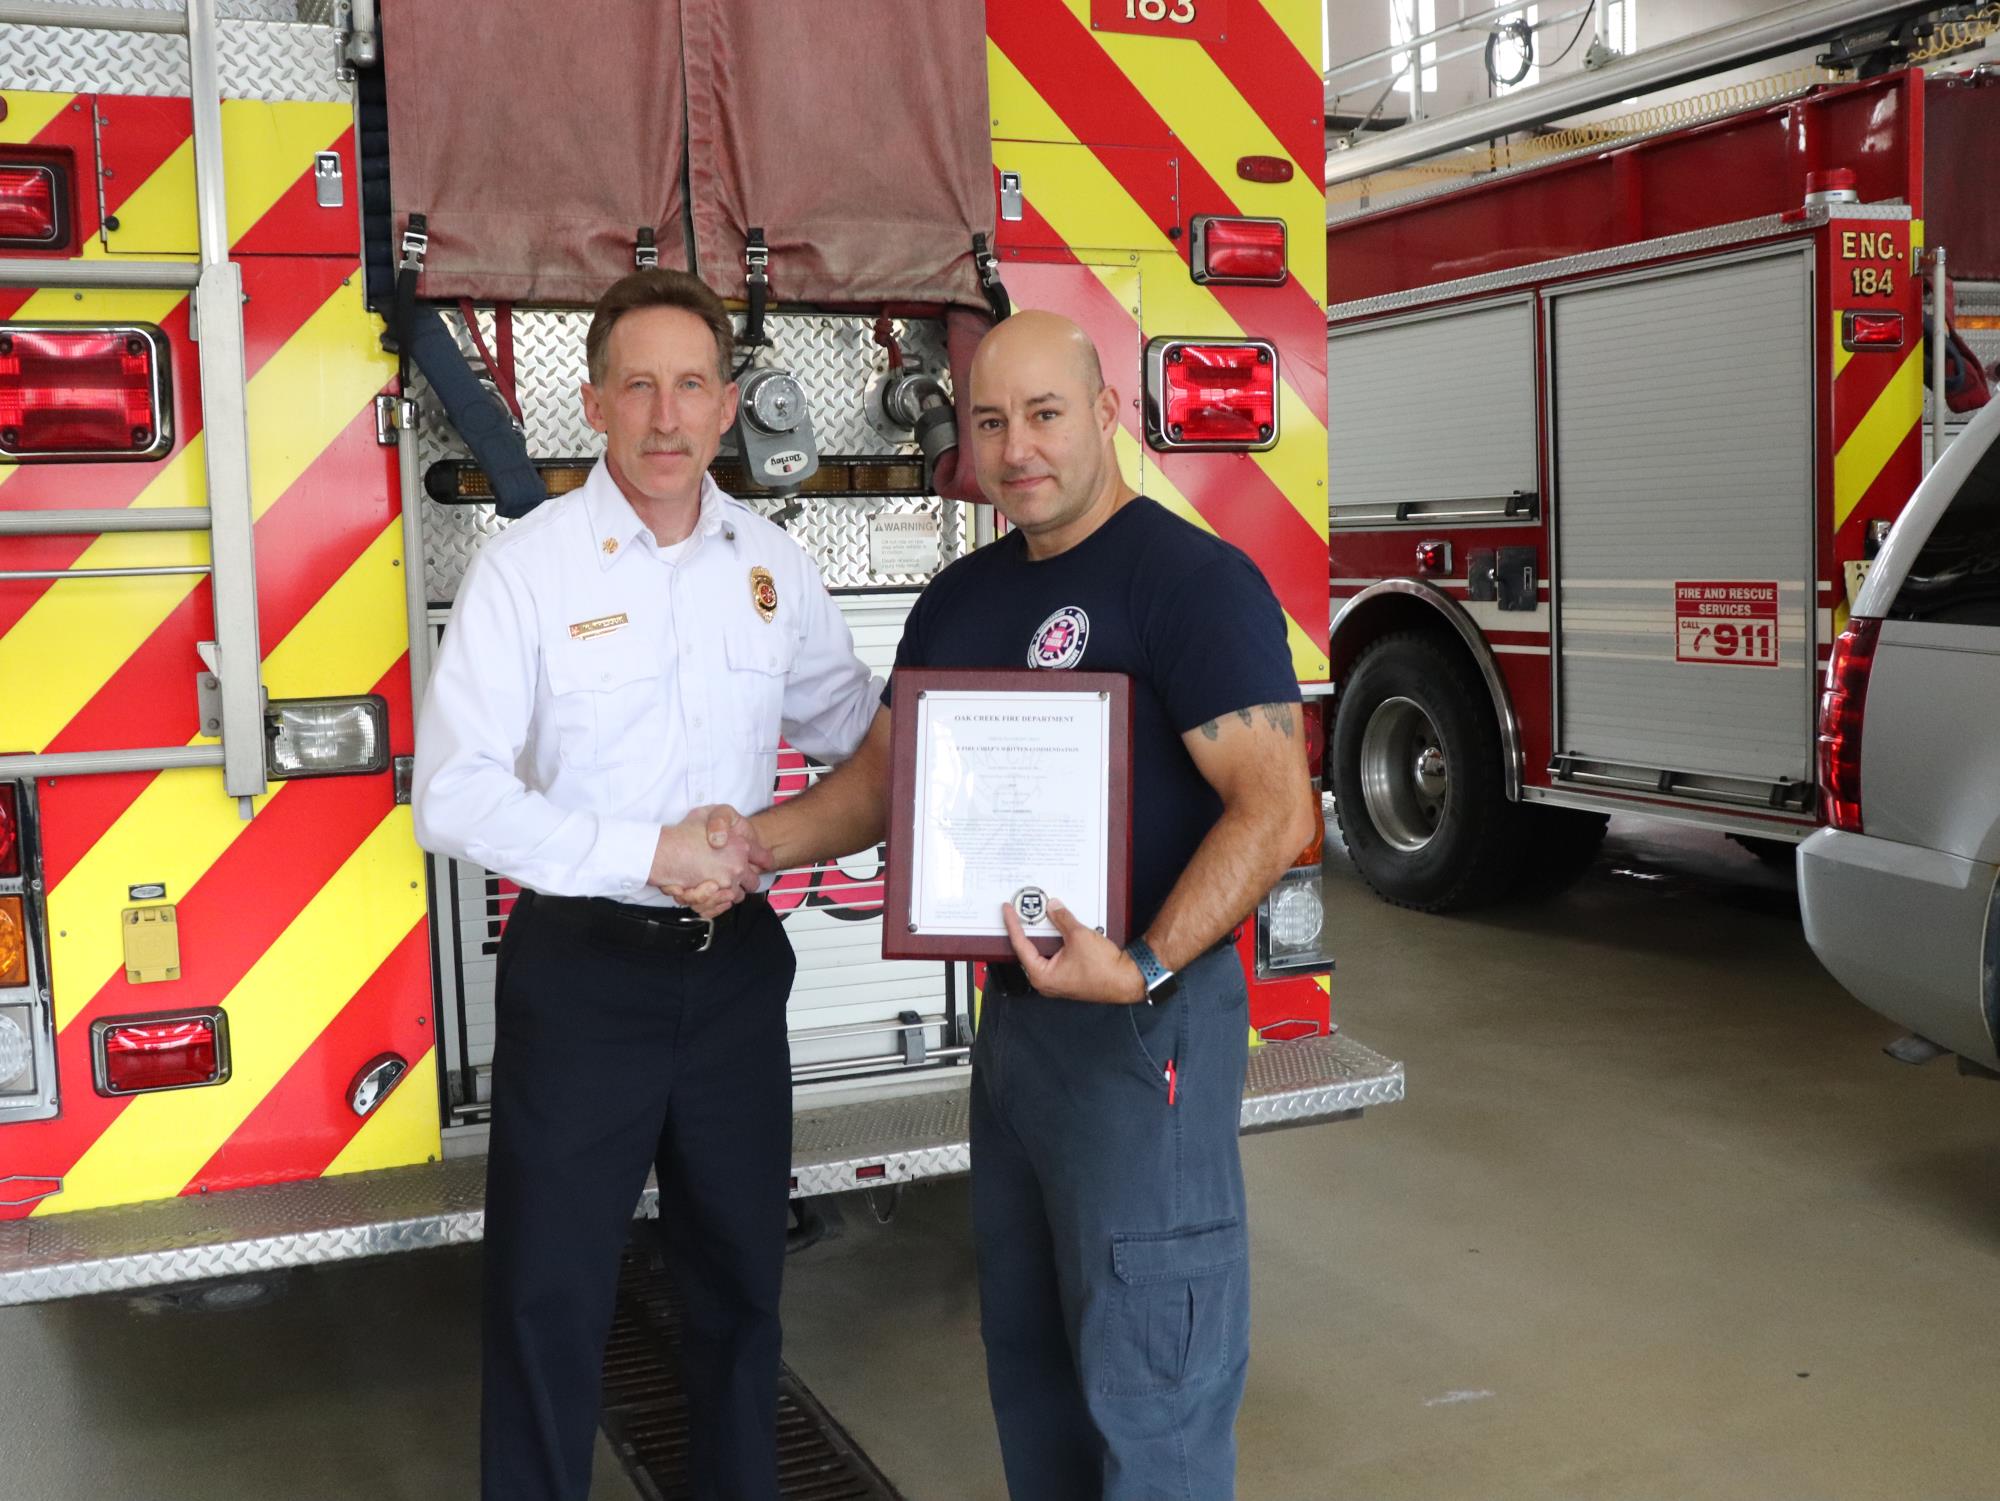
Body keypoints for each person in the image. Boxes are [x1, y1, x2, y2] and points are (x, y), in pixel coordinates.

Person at [747, 310, 1317, 1500]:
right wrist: (748, 848)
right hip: (1015, 1036)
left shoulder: (1192, 584)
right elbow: (878, 787)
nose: (1017, 448)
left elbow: (1275, 811)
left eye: (1045, 414)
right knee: (1034, 1359)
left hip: (1139, 1030)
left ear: (1106, 411)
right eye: (991, 422)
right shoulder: (961, 598)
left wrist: (1146, 965)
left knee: (1149, 1375)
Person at [411, 268, 881, 1501]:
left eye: (689, 387)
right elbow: (451, 792)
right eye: (637, 387)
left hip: (732, 983)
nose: (664, 418)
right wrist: (647, 852)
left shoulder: (772, 565)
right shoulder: (531, 569)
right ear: (593, 403)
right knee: (548, 1299)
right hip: (584, 978)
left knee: (737, 1289)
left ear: (729, 407)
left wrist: (988, 742)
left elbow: (862, 734)